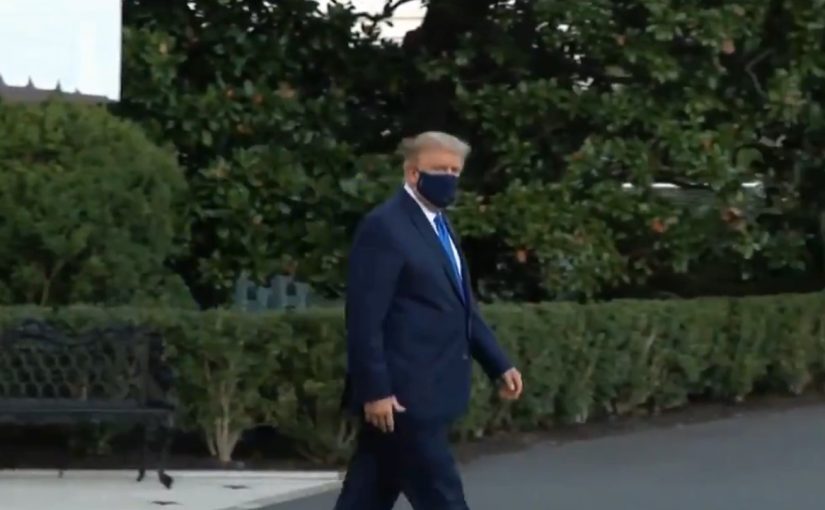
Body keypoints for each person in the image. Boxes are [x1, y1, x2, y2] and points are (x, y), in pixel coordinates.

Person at [335, 131, 524, 510]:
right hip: (403, 398)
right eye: (440, 169)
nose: (449, 178)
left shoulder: (440, 225)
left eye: (455, 171)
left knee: (367, 493)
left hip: (427, 392)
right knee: (443, 497)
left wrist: (498, 363)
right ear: (412, 173)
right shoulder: (385, 227)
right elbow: (365, 318)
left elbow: (461, 306)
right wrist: (375, 391)